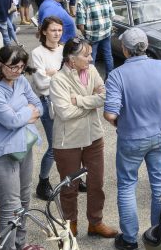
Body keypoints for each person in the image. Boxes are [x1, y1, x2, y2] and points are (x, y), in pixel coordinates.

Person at [103, 28, 161, 250]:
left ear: (125, 49)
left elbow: (110, 114)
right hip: (159, 135)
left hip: (131, 138)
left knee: (126, 186)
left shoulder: (117, 75)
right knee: (159, 185)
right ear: (146, 44)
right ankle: (157, 233)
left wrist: (118, 122)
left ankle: (130, 240)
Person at [0, 45, 42, 250]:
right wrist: (26, 112)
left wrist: (22, 113)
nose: (18, 71)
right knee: (11, 207)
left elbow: (39, 105)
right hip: (1, 152)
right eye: (13, 67)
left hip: (23, 146)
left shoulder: (20, 80)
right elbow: (10, 120)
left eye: (21, 67)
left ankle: (21, 244)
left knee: (24, 199)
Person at [49, 37, 117, 238]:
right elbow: (65, 113)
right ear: (71, 60)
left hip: (94, 136)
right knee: (69, 186)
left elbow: (106, 96)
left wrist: (78, 100)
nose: (90, 58)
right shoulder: (58, 80)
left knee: (96, 184)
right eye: (86, 55)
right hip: (67, 141)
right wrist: (91, 104)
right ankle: (70, 224)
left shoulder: (92, 70)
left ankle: (95, 222)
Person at [28, 16, 65, 201]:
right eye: (53, 30)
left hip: (66, 100)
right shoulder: (37, 53)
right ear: (44, 31)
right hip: (47, 101)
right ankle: (43, 183)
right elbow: (41, 84)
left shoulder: (65, 50)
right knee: (54, 145)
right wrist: (60, 74)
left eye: (59, 30)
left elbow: (73, 76)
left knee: (73, 142)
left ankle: (72, 179)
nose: (57, 33)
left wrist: (52, 73)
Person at [75, 0, 115, 76]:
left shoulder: (82, 2)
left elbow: (80, 23)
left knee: (90, 57)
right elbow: (112, 16)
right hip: (106, 33)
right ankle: (110, 78)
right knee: (108, 56)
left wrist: (85, 33)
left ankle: (91, 80)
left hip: (92, 36)